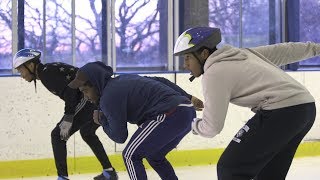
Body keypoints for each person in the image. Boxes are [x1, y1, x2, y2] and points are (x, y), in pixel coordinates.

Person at [173, 26, 318, 180]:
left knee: (230, 168)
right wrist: (316, 49)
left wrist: (194, 125)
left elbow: (212, 128)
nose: (185, 64)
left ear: (204, 53)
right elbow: (284, 51)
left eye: (188, 57)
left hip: (282, 112)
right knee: (269, 174)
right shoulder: (242, 55)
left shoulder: (214, 73)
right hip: (305, 109)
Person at [68, 61, 202, 180]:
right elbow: (160, 80)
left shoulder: (108, 98)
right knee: (155, 156)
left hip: (169, 114)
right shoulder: (124, 79)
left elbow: (120, 136)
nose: (86, 97)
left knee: (130, 155)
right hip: (187, 111)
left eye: (85, 91)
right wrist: (189, 97)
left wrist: (102, 120)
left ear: (96, 84)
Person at [13, 48, 118, 180]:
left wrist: (68, 118)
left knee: (57, 135)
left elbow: (71, 92)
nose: (21, 75)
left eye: (20, 70)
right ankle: (109, 172)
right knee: (87, 132)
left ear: (30, 65)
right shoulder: (47, 70)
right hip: (97, 97)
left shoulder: (46, 74)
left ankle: (62, 177)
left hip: (89, 98)